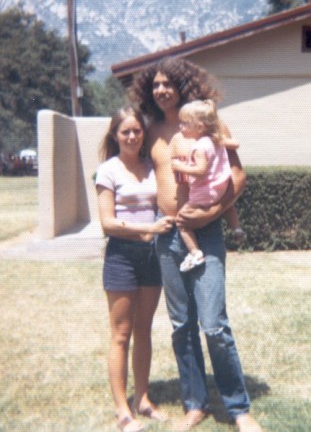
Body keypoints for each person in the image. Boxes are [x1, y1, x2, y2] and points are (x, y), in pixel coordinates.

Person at [130, 57, 262, 431]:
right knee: (181, 324)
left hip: (204, 233)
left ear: (184, 86)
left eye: (168, 83)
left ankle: (238, 409)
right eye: (155, 84)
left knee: (214, 324)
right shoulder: (151, 129)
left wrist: (210, 214)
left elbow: (238, 176)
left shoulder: (210, 125)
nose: (161, 90)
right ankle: (195, 403)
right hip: (168, 236)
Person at [95, 107, 174, 432]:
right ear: (115, 135)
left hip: (151, 257)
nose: (131, 136)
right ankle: (122, 410)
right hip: (122, 257)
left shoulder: (150, 168)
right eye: (125, 131)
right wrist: (149, 230)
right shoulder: (108, 170)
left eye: (136, 131)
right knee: (121, 335)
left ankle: (142, 398)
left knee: (144, 331)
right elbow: (107, 223)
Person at [170, 99, 244, 272]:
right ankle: (237, 227)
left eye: (185, 124)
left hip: (204, 193)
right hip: (221, 187)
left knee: (182, 222)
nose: (180, 127)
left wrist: (181, 167)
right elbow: (236, 144)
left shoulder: (199, 148)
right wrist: (223, 140)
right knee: (228, 206)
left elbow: (200, 170)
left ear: (200, 127)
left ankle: (195, 253)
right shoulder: (215, 140)